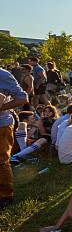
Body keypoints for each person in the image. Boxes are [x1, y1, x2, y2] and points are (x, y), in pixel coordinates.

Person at [0, 68, 28, 209]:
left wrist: (1, 107)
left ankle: (5, 196)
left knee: (1, 161)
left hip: (1, 126)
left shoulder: (3, 74)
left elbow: (23, 98)